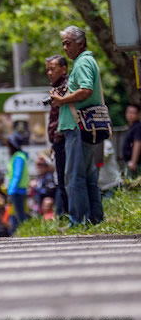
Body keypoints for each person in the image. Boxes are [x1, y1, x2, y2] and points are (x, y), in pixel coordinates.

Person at [50, 25, 105, 225]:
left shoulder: (82, 63)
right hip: (84, 126)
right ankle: (94, 218)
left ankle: (78, 220)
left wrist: (62, 100)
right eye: (63, 43)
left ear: (80, 43)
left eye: (68, 43)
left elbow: (86, 90)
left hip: (77, 125)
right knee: (88, 176)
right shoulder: (87, 61)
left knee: (73, 177)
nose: (65, 48)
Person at [45, 54, 69, 216]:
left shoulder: (66, 87)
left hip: (66, 139)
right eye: (47, 70)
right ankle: (67, 216)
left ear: (64, 69)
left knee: (66, 180)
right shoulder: (57, 87)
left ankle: (71, 215)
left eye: (52, 69)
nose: (49, 73)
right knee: (62, 180)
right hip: (58, 141)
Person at [6, 133, 29, 226]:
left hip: (17, 190)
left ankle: (24, 232)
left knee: (19, 215)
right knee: (17, 213)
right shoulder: (18, 156)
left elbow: (17, 174)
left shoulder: (18, 157)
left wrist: (11, 189)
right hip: (18, 189)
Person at [122, 104, 141, 179]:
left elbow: (138, 143)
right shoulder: (131, 127)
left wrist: (133, 162)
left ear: (138, 114)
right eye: (128, 112)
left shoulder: (138, 127)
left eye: (133, 113)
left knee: (132, 187)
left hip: (135, 163)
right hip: (130, 162)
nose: (130, 115)